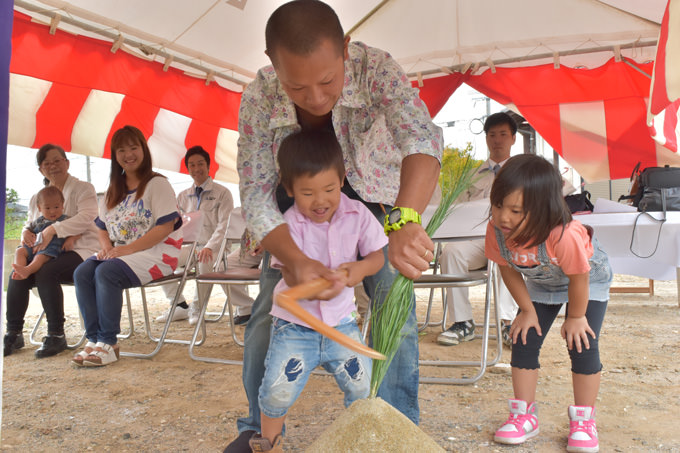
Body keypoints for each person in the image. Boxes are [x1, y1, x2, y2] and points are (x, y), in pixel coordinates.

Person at [226, 1, 442, 450]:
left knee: (393, 313)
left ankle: (394, 430)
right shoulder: (259, 95)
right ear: (273, 67)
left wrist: (405, 219)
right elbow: (255, 188)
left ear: (345, 49)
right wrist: (295, 259)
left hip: (380, 203)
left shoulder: (376, 69)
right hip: (297, 213)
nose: (317, 98)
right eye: (297, 87)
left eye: (328, 81)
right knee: (268, 318)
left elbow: (419, 137)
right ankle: (258, 433)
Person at [250, 129, 387, 452]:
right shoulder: (289, 224)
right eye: (307, 193)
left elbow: (377, 257)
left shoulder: (358, 214)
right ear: (289, 189)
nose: (320, 200)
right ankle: (270, 442)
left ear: (342, 179)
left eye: (328, 188)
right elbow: (290, 280)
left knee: (363, 385)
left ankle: (360, 440)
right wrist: (310, 285)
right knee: (276, 390)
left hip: (342, 324)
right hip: (295, 329)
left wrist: (359, 270)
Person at [486, 154, 611, 452]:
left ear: (543, 208)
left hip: (586, 280)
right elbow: (506, 268)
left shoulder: (564, 235)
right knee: (524, 337)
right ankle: (524, 415)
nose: (504, 217)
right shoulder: (497, 231)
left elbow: (579, 278)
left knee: (580, 342)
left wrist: (576, 316)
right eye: (498, 205)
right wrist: (527, 310)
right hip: (543, 283)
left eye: (515, 210)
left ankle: (584, 419)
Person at [71, 125, 183, 367]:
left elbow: (165, 227)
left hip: (158, 253)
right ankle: (94, 340)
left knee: (106, 272)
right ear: (115, 155)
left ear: (143, 149)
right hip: (121, 253)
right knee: (82, 272)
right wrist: (105, 247)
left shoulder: (157, 184)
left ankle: (109, 343)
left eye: (134, 147)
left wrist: (125, 250)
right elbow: (101, 227)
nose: (128, 154)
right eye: (121, 150)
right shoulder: (114, 188)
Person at [4, 144, 99, 358]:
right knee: (18, 270)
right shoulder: (37, 197)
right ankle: (13, 332)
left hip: (80, 248)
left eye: (57, 161)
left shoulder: (84, 188)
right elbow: (30, 223)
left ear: (67, 162)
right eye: (47, 163)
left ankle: (56, 335)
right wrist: (24, 235)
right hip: (44, 250)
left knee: (47, 271)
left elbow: (88, 217)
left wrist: (54, 229)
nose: (53, 166)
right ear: (41, 169)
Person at [437, 112, 518, 347]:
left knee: (508, 251)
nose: (497, 140)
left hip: (507, 238)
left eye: (503, 134)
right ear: (486, 138)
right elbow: (458, 210)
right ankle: (463, 323)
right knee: (451, 252)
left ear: (513, 138)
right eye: (492, 135)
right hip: (476, 241)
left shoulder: (521, 173)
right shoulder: (472, 175)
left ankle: (508, 322)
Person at [156, 145, 234, 325]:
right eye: (192, 165)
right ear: (188, 168)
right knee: (159, 259)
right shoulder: (183, 196)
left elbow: (225, 225)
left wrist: (209, 247)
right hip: (190, 247)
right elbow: (178, 226)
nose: (196, 169)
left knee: (204, 260)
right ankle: (179, 305)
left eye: (200, 164)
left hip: (214, 247)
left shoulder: (222, 193)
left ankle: (197, 308)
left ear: (208, 166)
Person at [11, 186, 72, 280]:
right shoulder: (39, 221)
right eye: (47, 208)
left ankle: (28, 270)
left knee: (40, 257)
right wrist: (26, 233)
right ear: (40, 208)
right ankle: (19, 270)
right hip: (34, 245)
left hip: (51, 248)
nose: (52, 211)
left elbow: (77, 230)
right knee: (20, 251)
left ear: (62, 205)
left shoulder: (65, 219)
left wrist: (70, 240)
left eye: (56, 207)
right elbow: (28, 228)